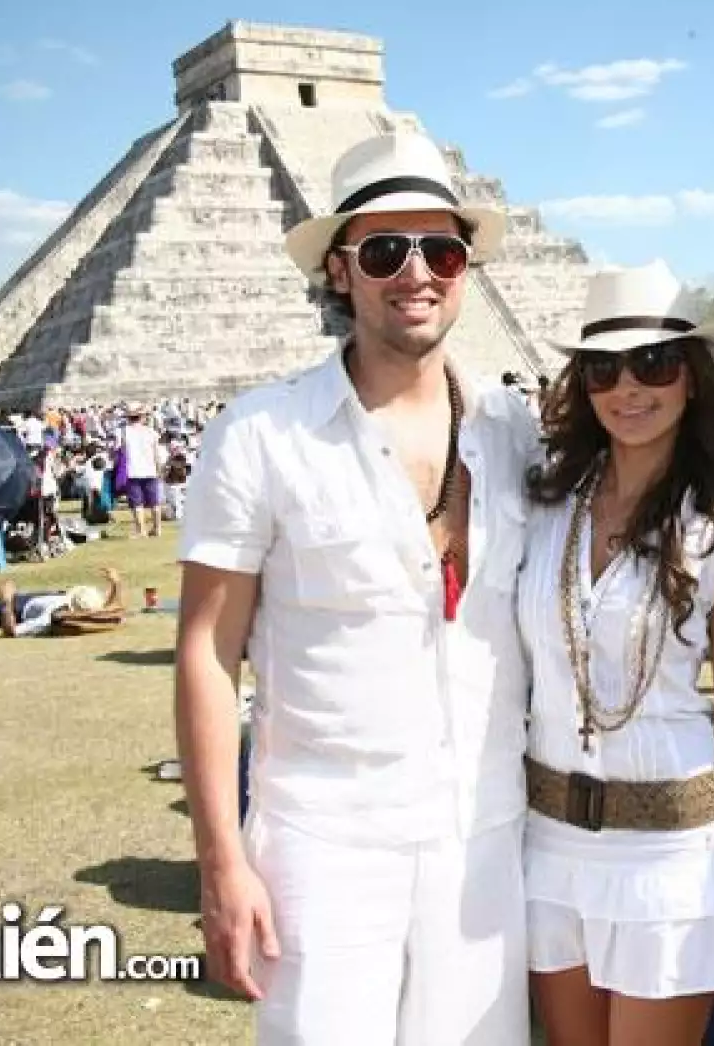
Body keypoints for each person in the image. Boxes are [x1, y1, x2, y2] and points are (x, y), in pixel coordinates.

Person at [175, 131, 537, 1045]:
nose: (415, 272)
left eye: (441, 250)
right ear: (340, 270)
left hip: (485, 838)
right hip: (326, 846)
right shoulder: (261, 434)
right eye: (384, 250)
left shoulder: (515, 432)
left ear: (465, 270)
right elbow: (208, 654)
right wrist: (221, 860)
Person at [519, 263, 714, 1046]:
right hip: (548, 842)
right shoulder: (542, 508)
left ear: (691, 380)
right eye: (603, 369)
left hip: (671, 859)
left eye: (654, 365)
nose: (629, 388)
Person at [0, 566, 125, 637]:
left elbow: (11, 631)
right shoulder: (89, 609)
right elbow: (110, 607)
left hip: (20, 610)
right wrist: (116, 584)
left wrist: (6, 603)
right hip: (46, 597)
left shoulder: (49, 618)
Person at [121, 406, 163, 538]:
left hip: (133, 470)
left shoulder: (124, 432)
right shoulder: (151, 432)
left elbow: (122, 451)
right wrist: (159, 468)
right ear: (142, 417)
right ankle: (157, 528)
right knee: (154, 502)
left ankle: (141, 530)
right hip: (150, 469)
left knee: (137, 503)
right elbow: (156, 453)